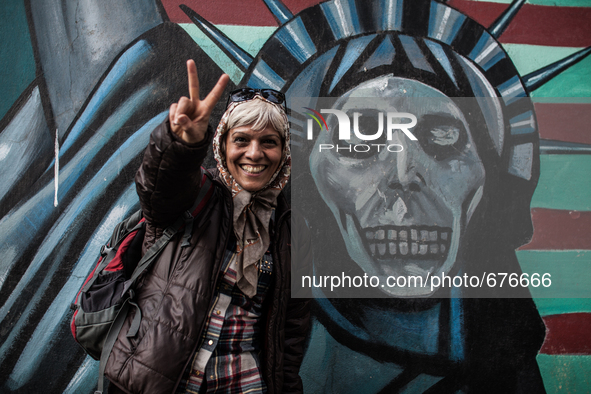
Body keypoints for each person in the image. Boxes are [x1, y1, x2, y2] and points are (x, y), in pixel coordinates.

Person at [105, 59, 311, 394]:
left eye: (269, 142)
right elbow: (157, 188)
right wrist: (181, 144)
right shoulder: (197, 196)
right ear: (223, 145)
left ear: (284, 151)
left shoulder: (290, 228)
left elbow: (292, 331)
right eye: (241, 140)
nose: (254, 153)